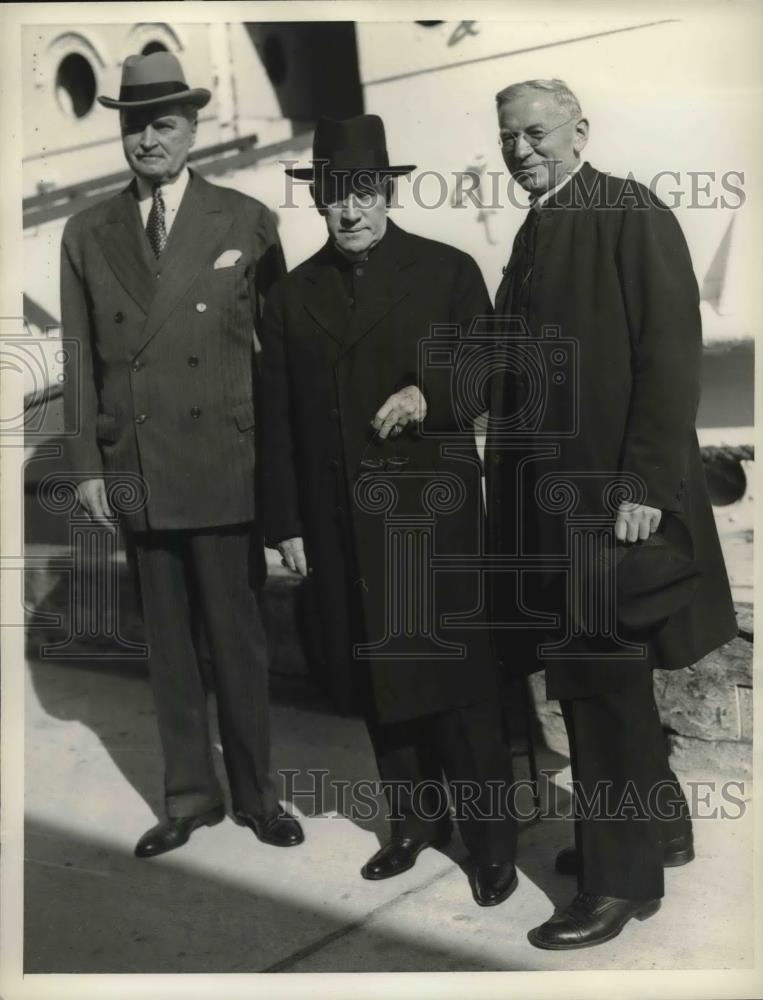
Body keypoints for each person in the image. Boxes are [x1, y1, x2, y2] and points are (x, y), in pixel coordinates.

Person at [486, 78, 737, 948]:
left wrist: (641, 488)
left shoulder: (629, 213)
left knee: (599, 695)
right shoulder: (535, 226)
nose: (522, 150)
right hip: (551, 509)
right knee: (606, 686)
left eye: (537, 134)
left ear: (579, 130)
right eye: (508, 138)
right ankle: (658, 830)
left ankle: (619, 884)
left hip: (608, 505)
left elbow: (669, 360)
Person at [260, 114, 518, 906]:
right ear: (318, 198)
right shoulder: (292, 296)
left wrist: (428, 392)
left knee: (460, 686)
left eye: (364, 191)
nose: (350, 209)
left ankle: (491, 843)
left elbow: (491, 373)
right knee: (377, 680)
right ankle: (412, 823)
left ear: (387, 190)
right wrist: (287, 523)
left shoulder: (445, 270)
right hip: (341, 527)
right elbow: (276, 421)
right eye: (335, 193)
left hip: (431, 522)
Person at [61, 51, 303, 857]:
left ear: (194, 129)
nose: (146, 138)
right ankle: (189, 797)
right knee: (166, 647)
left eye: (162, 123)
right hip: (141, 467)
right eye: (134, 124)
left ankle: (259, 797)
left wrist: (281, 482)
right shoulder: (87, 231)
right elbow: (82, 361)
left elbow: (279, 363)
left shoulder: (244, 219)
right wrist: (89, 469)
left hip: (223, 464)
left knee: (238, 642)